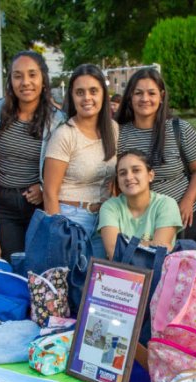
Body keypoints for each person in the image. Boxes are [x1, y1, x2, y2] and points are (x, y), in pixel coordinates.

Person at [116, 68, 196, 244]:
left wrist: (188, 200)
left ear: (161, 96)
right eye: (138, 93)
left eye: (151, 93)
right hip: (138, 223)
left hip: (183, 219)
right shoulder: (120, 134)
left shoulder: (179, 129)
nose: (145, 99)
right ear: (130, 97)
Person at [0, 51, 66, 260]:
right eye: (18, 76)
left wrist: (43, 187)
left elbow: (65, 164)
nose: (25, 82)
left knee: (37, 265)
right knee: (12, 265)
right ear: (10, 80)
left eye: (32, 75)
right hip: (4, 204)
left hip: (37, 205)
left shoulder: (57, 120)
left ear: (43, 80)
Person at [43, 64, 118, 258]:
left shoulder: (113, 129)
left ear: (103, 94)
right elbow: (50, 192)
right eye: (80, 92)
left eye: (93, 91)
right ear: (72, 97)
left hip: (103, 219)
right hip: (71, 218)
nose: (87, 98)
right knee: (72, 284)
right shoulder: (65, 134)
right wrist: (59, 234)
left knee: (97, 284)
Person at [99, 150, 183, 259]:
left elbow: (158, 253)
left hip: (156, 273)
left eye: (136, 170)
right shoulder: (109, 207)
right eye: (123, 173)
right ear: (118, 181)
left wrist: (125, 246)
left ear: (150, 175)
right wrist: (148, 244)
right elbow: (114, 252)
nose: (129, 177)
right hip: (119, 274)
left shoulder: (166, 204)